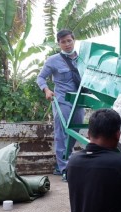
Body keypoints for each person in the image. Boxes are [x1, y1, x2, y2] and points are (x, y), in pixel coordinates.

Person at [37, 29, 84, 181]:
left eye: (69, 41)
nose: (67, 44)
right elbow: (41, 78)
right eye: (63, 42)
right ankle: (65, 168)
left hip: (78, 100)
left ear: (74, 40)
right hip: (61, 99)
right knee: (62, 132)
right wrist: (47, 90)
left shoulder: (83, 59)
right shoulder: (53, 60)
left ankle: (63, 160)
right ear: (59, 44)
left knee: (75, 130)